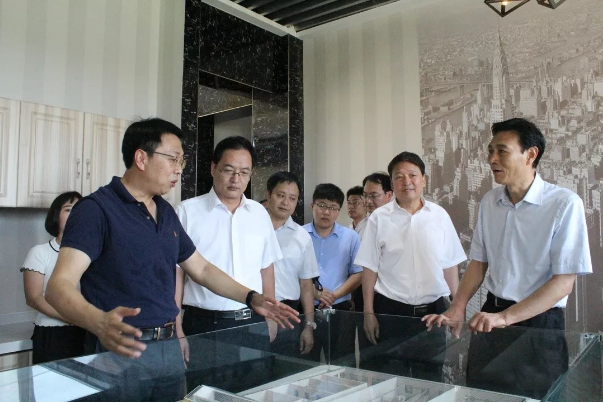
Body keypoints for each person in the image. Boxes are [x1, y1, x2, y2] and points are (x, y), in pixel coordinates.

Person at [46, 118, 298, 401]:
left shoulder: (165, 212)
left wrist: (251, 297)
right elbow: (58, 285)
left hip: (167, 350)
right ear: (141, 158)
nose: (179, 168)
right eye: (172, 159)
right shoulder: (96, 210)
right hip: (120, 347)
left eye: (182, 161)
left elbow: (201, 268)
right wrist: (97, 322)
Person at [423, 118, 592, 398]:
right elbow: (479, 262)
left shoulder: (563, 204)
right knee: (483, 394)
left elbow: (563, 283)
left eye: (502, 151)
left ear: (531, 154)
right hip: (491, 316)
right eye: (491, 151)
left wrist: (505, 318)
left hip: (538, 322)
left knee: (537, 396)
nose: (492, 159)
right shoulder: (490, 202)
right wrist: (458, 306)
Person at [174, 136, 284, 392]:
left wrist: (270, 317)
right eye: (228, 170)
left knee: (254, 392)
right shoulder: (187, 212)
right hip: (204, 324)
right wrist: (176, 327)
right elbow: (177, 275)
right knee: (206, 393)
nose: (236, 179)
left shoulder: (259, 213)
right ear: (213, 168)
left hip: (252, 321)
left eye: (244, 172)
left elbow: (266, 267)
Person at [355, 152, 465, 381]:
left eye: (412, 175)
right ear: (392, 183)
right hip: (391, 313)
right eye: (399, 177)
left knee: (431, 380)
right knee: (391, 380)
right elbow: (369, 269)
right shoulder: (379, 219)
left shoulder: (440, 216)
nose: (407, 182)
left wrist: (457, 307)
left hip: (433, 315)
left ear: (424, 179)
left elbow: (450, 266)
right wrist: (368, 313)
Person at [21, 191, 86, 364]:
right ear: (56, 216)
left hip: (87, 332)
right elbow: (33, 298)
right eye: (68, 209)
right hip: (53, 334)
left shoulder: (91, 254)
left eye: (80, 210)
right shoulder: (40, 252)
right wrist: (70, 318)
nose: (75, 215)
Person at [303, 183, 362, 364]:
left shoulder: (350, 237)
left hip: (340, 310)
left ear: (339, 211)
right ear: (312, 205)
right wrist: (315, 293)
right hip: (305, 309)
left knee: (342, 364)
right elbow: (292, 273)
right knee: (305, 363)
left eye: (333, 207)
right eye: (322, 205)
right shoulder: (299, 235)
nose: (326, 212)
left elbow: (358, 274)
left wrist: (334, 296)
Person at [264, 171, 319, 357]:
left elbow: (306, 285)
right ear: (268, 195)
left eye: (292, 198)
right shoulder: (250, 228)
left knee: (285, 370)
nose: (286, 202)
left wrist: (309, 326)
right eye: (280, 195)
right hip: (253, 311)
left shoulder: (302, 237)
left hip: (287, 314)